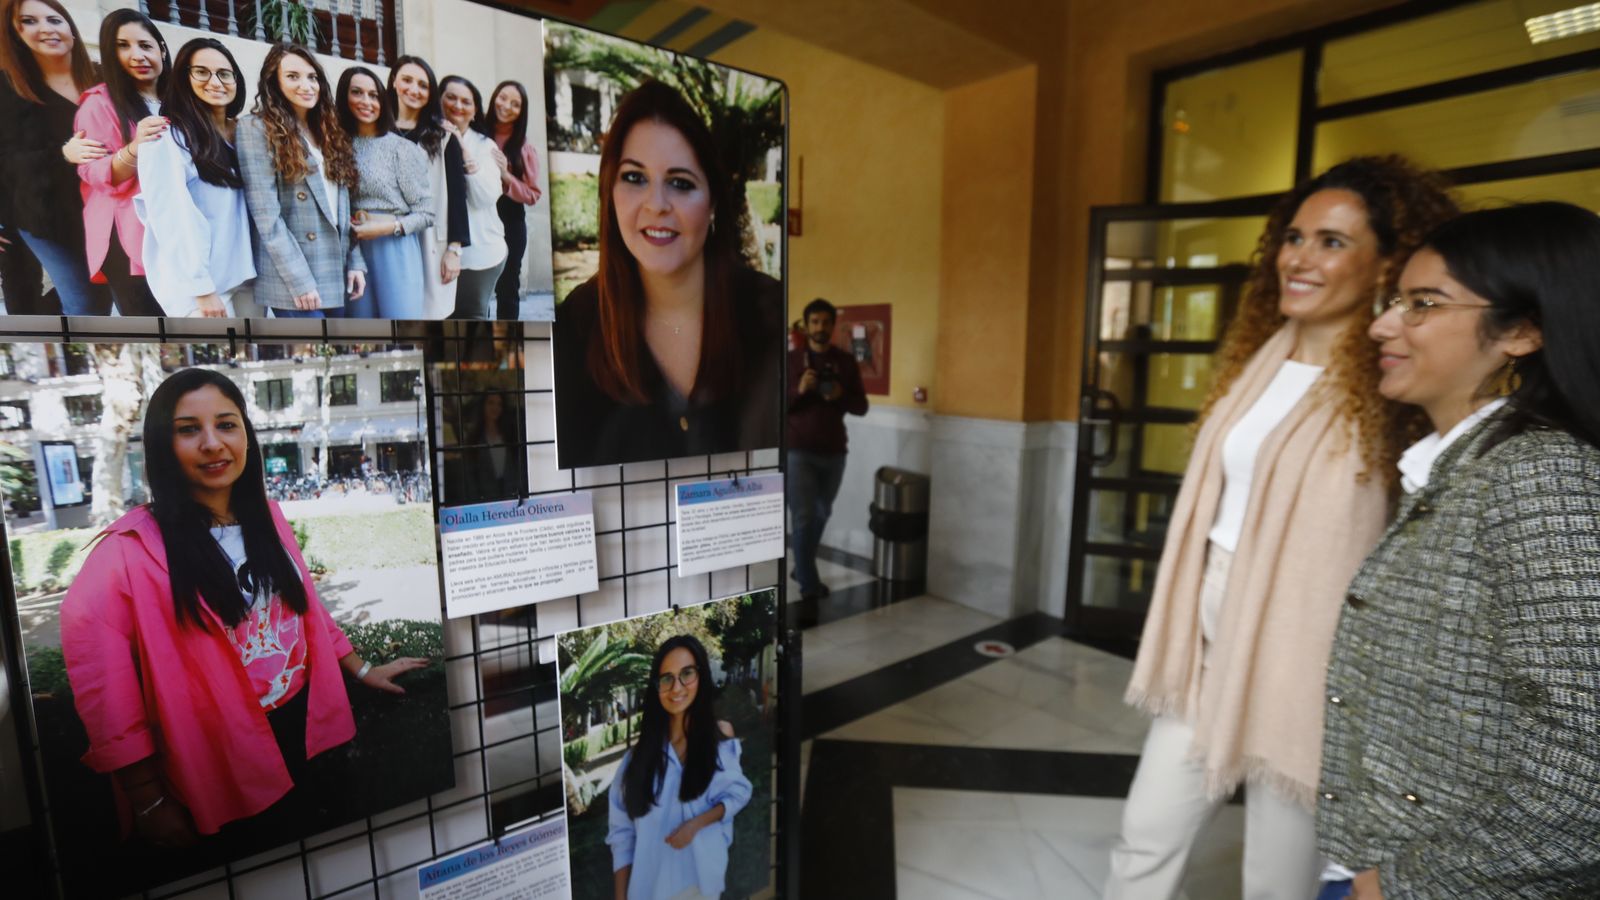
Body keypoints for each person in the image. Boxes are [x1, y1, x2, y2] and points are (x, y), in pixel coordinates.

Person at [1103, 156, 1458, 900]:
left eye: (1332, 242)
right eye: (1294, 238)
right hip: (1207, 633)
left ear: (1386, 264)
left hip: (1307, 657)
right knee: (1145, 834)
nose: (1299, 258)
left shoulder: (1396, 386)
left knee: (1276, 876)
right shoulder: (1261, 359)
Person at [1315, 202, 1600, 900]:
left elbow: (1584, 767)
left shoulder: (1541, 476)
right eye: (1395, 301)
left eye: (1423, 304)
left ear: (1523, 330)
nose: (1383, 326)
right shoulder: (1466, 466)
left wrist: (1406, 884)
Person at [58, 368, 427, 852]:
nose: (212, 443)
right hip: (222, 753)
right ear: (162, 445)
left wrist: (362, 670)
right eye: (189, 429)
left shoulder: (267, 516)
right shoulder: (126, 552)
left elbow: (304, 611)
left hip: (303, 726)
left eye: (226, 425)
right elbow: (104, 685)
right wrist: (147, 800)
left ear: (246, 436)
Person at [553, 80, 783, 467]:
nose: (656, 204)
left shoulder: (769, 314)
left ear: (712, 202)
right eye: (634, 177)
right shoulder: (576, 324)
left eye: (680, 183)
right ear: (610, 194)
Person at [607, 635, 752, 900]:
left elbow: (738, 794)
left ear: (701, 675)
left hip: (700, 889)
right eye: (667, 678)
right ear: (657, 686)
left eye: (687, 674)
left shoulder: (720, 739)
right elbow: (622, 836)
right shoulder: (636, 760)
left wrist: (695, 824)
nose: (677, 688)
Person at [237, 42, 364, 318]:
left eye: (312, 77)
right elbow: (267, 218)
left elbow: (343, 207)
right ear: (274, 81)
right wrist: (299, 280)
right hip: (294, 278)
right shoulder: (255, 128)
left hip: (334, 266)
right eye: (293, 76)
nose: (307, 86)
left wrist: (355, 260)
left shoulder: (328, 130)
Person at [0, 0, 109, 315]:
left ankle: (51, 329)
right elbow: (7, 162)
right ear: (15, 34)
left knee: (103, 296)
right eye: (29, 21)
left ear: (71, 29)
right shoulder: (8, 88)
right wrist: (63, 154)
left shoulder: (102, 78)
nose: (46, 28)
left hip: (99, 208)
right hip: (40, 213)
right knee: (84, 303)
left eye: (54, 19)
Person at [135, 37, 254, 318]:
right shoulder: (166, 136)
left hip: (246, 277)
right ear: (183, 78)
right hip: (203, 290)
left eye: (224, 73)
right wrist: (200, 287)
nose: (215, 82)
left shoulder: (242, 136)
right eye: (202, 72)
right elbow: (170, 214)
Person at [61, 8, 167, 317]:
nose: (138, 55)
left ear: (161, 50)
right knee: (153, 327)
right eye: (123, 46)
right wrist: (136, 148)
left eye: (145, 45)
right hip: (128, 237)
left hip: (175, 230)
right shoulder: (98, 103)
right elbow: (100, 174)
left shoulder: (180, 100)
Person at [786, 297, 867, 602]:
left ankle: (802, 567)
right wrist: (799, 390)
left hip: (834, 451)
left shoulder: (844, 361)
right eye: (815, 321)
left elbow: (861, 407)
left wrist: (841, 394)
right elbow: (776, 406)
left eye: (825, 322)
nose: (820, 327)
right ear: (806, 325)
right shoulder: (791, 360)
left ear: (833, 326)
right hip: (798, 451)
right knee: (804, 516)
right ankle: (809, 584)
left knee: (822, 512)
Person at [336, 65, 431, 319]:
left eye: (374, 95)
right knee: (360, 328)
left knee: (401, 326)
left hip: (394, 247)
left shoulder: (401, 149)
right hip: (352, 248)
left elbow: (426, 213)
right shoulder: (336, 146)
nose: (366, 102)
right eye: (357, 92)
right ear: (344, 96)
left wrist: (388, 228)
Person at [388, 56, 467, 319]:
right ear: (394, 82)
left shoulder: (443, 136)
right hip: (388, 236)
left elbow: (457, 197)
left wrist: (454, 250)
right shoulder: (377, 131)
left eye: (423, 85)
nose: (414, 89)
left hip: (430, 239)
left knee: (430, 313)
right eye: (407, 80)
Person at [438, 74, 505, 319]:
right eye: (451, 98)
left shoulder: (486, 146)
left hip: (480, 253)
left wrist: (462, 147)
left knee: (472, 318)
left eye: (466, 101)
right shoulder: (429, 138)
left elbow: (483, 198)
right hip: (436, 251)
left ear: (475, 111)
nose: (458, 105)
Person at [485, 79, 541, 320]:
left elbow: (533, 194)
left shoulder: (524, 147)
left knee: (507, 288)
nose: (507, 106)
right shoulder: (477, 133)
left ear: (521, 112)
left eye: (516, 104)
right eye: (503, 98)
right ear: (494, 97)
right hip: (478, 218)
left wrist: (506, 175)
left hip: (510, 222)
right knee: (477, 288)